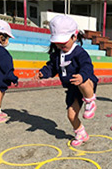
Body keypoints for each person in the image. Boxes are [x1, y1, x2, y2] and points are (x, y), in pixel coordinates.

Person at [35, 15, 98, 146]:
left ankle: (91, 101)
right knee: (71, 114)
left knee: (82, 82)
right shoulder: (56, 54)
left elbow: (88, 66)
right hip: (72, 88)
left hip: (87, 83)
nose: (60, 44)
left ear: (74, 37)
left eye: (64, 41)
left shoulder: (80, 52)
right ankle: (81, 133)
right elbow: (52, 67)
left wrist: (82, 75)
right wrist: (43, 73)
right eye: (57, 42)